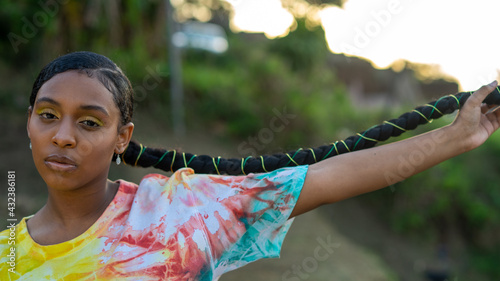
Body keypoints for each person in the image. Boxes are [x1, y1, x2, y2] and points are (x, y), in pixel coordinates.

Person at [1, 51, 499, 280]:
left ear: (121, 138)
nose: (63, 135)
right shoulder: (6, 257)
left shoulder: (177, 213)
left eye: (90, 123)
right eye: (48, 116)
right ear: (29, 124)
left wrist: (456, 136)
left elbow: (325, 178)